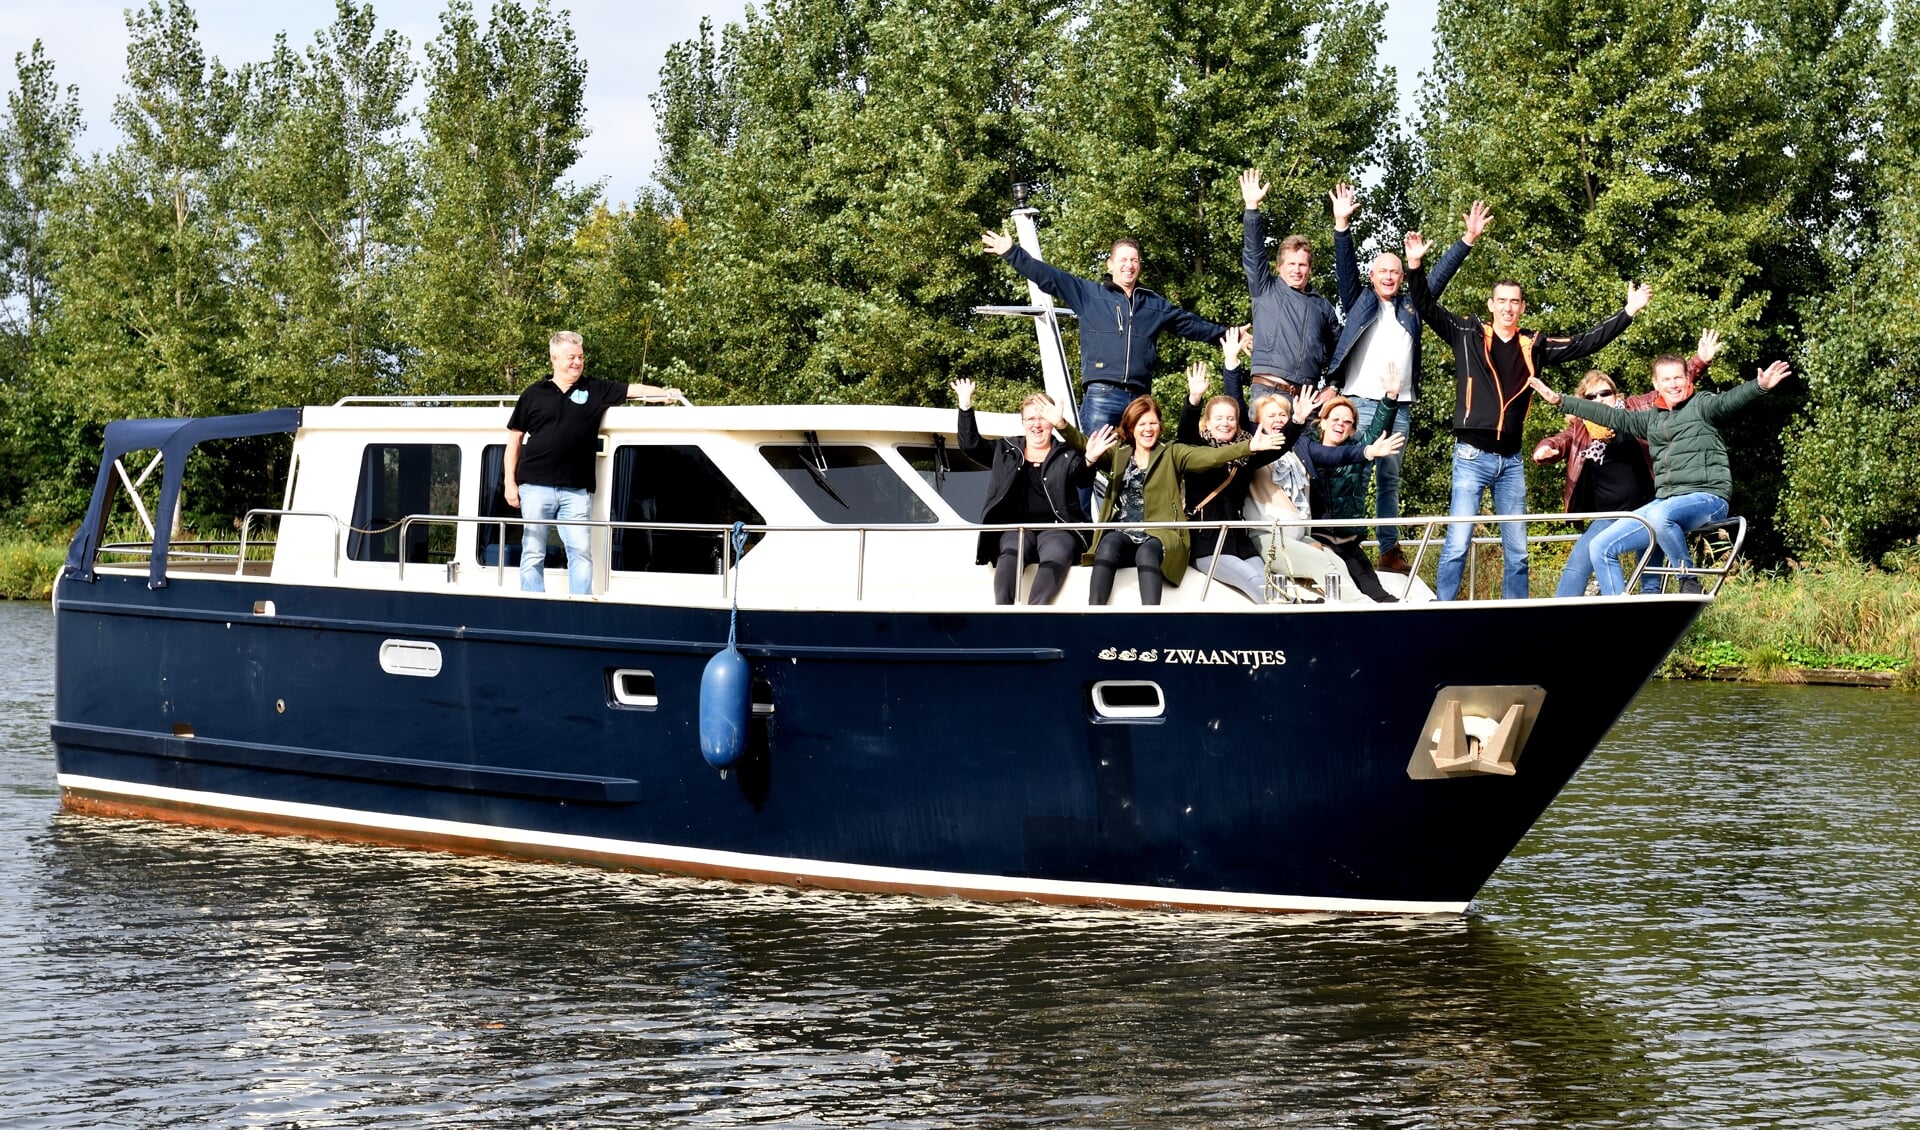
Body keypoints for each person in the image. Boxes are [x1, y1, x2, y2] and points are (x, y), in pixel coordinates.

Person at [1408, 233, 1650, 600]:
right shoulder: (1466, 333)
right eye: (1501, 301)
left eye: (1514, 302)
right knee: (1458, 542)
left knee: (1518, 551)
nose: (1507, 308)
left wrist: (1628, 312)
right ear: (1491, 304)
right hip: (1471, 457)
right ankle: (1442, 608)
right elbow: (1424, 304)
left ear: (1522, 308)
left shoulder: (1534, 345)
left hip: (1511, 460)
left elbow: (1585, 342)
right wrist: (1415, 266)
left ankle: (1515, 613)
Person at [1324, 185, 1488, 573]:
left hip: (1397, 405)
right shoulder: (1359, 300)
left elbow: (1438, 276)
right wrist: (1341, 223)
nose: (1390, 277)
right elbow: (1344, 267)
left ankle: (1389, 549)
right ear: (1372, 275)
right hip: (1359, 402)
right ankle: (1345, 544)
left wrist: (1467, 240)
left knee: (1389, 477)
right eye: (1383, 271)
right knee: (1352, 471)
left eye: (1396, 272)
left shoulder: (1413, 305)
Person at [1532, 353, 1792, 595]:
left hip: (1707, 498)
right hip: (1666, 502)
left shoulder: (1701, 405)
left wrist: (1759, 386)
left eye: (1678, 377)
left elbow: (1728, 401)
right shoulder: (1649, 420)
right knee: (1599, 546)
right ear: (1656, 384)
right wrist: (1560, 400)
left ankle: (1687, 579)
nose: (1673, 384)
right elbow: (1607, 415)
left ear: (1688, 379)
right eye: (1666, 379)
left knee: (1657, 514)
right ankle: (1618, 614)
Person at [980, 228, 1227, 444]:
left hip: (1140, 398)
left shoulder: (1153, 304)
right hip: (1103, 394)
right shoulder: (1089, 294)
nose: (1128, 265)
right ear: (1110, 264)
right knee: (1089, 458)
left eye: (1134, 260)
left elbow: (1191, 324)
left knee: (1140, 466)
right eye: (1123, 260)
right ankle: (1079, 500)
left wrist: (1228, 335)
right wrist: (1012, 252)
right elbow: (1048, 276)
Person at [1531, 334, 1715, 596]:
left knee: (1650, 578)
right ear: (1583, 400)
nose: (1599, 400)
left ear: (1615, 394)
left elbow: (1669, 387)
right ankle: (1559, 619)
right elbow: (1558, 441)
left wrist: (1699, 361)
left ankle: (1645, 626)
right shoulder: (1580, 428)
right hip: (1609, 516)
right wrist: (1544, 449)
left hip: (1648, 508)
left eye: (1604, 393)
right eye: (1591, 396)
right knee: (1578, 564)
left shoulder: (1635, 410)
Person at [504, 331, 682, 594]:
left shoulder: (595, 389)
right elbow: (514, 439)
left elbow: (633, 390)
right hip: (535, 486)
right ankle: (533, 604)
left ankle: (580, 604)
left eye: (580, 357)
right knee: (533, 552)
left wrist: (665, 393)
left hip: (576, 490)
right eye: (571, 357)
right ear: (554, 358)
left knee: (580, 552)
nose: (577, 362)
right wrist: (510, 482)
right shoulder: (533, 394)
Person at [1077, 395, 1281, 605]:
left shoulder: (1172, 452)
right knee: (1108, 543)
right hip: (1126, 532)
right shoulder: (1119, 455)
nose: (1148, 429)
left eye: (1153, 423)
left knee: (1147, 552)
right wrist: (1062, 426)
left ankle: (1152, 619)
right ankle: (1095, 613)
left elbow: (1211, 457)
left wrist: (1247, 447)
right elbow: (1081, 444)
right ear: (1131, 427)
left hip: (1162, 533)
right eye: (1142, 424)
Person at [1241, 391, 1406, 603]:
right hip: (1269, 536)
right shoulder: (1254, 446)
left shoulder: (1301, 447)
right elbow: (1237, 406)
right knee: (1321, 561)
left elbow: (1335, 454)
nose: (1278, 419)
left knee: (1338, 563)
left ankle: (1353, 607)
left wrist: (1368, 451)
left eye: (1283, 414)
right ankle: (1362, 606)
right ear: (1258, 421)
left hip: (1301, 536)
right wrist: (1232, 366)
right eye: (1271, 415)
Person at [953, 380, 1099, 604]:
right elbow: (971, 445)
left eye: (1042, 418)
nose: (1037, 425)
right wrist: (965, 405)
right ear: (1023, 423)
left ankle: (1034, 613)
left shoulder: (1066, 453)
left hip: (1057, 529)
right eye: (1031, 419)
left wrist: (1089, 458)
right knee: (1011, 553)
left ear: (1051, 422)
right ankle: (1004, 615)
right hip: (1018, 529)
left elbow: (1082, 477)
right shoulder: (1006, 450)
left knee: (1057, 553)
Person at [1177, 328, 1289, 603]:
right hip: (1207, 545)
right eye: (1219, 418)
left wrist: (1296, 421)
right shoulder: (1196, 447)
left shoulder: (1248, 450)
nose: (1225, 423)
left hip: (1238, 541)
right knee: (1257, 585)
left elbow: (1280, 445)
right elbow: (1185, 431)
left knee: (1275, 583)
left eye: (1231, 418)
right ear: (1208, 420)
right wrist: (1194, 400)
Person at [1239, 168, 1337, 408]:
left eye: (1302, 264)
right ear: (1279, 266)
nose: (1296, 270)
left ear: (1310, 268)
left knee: (1304, 448)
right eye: (1291, 264)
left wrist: (1333, 385)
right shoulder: (1265, 288)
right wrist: (1252, 208)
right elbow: (1253, 254)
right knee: (1264, 447)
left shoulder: (1322, 307)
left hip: (1306, 399)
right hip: (1267, 391)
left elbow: (1342, 351)